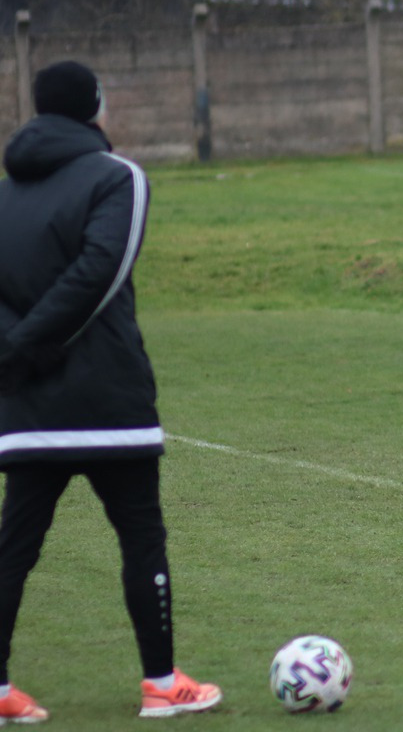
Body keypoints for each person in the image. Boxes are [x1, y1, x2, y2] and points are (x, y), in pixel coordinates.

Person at [0, 61, 222, 723]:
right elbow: (102, 269)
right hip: (108, 402)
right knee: (141, 537)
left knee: (15, 545)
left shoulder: (4, 193)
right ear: (94, 107)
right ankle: (162, 684)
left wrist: (15, 352)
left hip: (27, 399)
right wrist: (27, 346)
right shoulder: (119, 177)